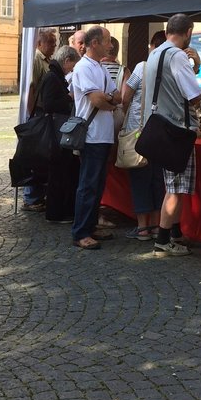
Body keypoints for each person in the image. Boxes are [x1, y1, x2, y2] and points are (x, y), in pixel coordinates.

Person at [144, 13, 201, 257]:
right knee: (176, 188)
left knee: (172, 184)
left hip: (159, 127)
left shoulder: (155, 53)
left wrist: (195, 66)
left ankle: (175, 233)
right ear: (188, 31)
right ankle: (164, 239)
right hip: (176, 129)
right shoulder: (178, 56)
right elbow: (193, 95)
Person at [70, 26, 122, 250]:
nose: (110, 46)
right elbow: (97, 100)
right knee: (88, 184)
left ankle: (89, 226)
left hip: (102, 135)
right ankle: (81, 231)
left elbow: (117, 96)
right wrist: (109, 100)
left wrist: (108, 99)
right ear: (94, 44)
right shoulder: (83, 68)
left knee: (98, 184)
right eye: (107, 41)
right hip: (91, 135)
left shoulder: (99, 67)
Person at [120, 57, 163, 241]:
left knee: (140, 177)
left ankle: (142, 228)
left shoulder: (142, 67)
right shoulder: (174, 67)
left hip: (139, 130)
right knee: (157, 179)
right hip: (161, 131)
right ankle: (155, 226)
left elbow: (125, 97)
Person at [36, 45, 80, 224]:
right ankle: (55, 213)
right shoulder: (53, 77)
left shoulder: (54, 75)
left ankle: (60, 211)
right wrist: (69, 97)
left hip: (58, 130)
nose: (72, 69)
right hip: (55, 131)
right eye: (72, 65)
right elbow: (49, 104)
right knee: (58, 173)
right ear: (66, 60)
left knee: (62, 172)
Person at [23, 29, 57, 213]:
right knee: (35, 156)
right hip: (38, 113)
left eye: (54, 42)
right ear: (39, 43)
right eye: (50, 42)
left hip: (43, 113)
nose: (54, 45)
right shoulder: (37, 59)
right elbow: (31, 89)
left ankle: (38, 195)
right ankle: (31, 197)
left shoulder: (47, 61)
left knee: (43, 156)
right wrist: (33, 115)